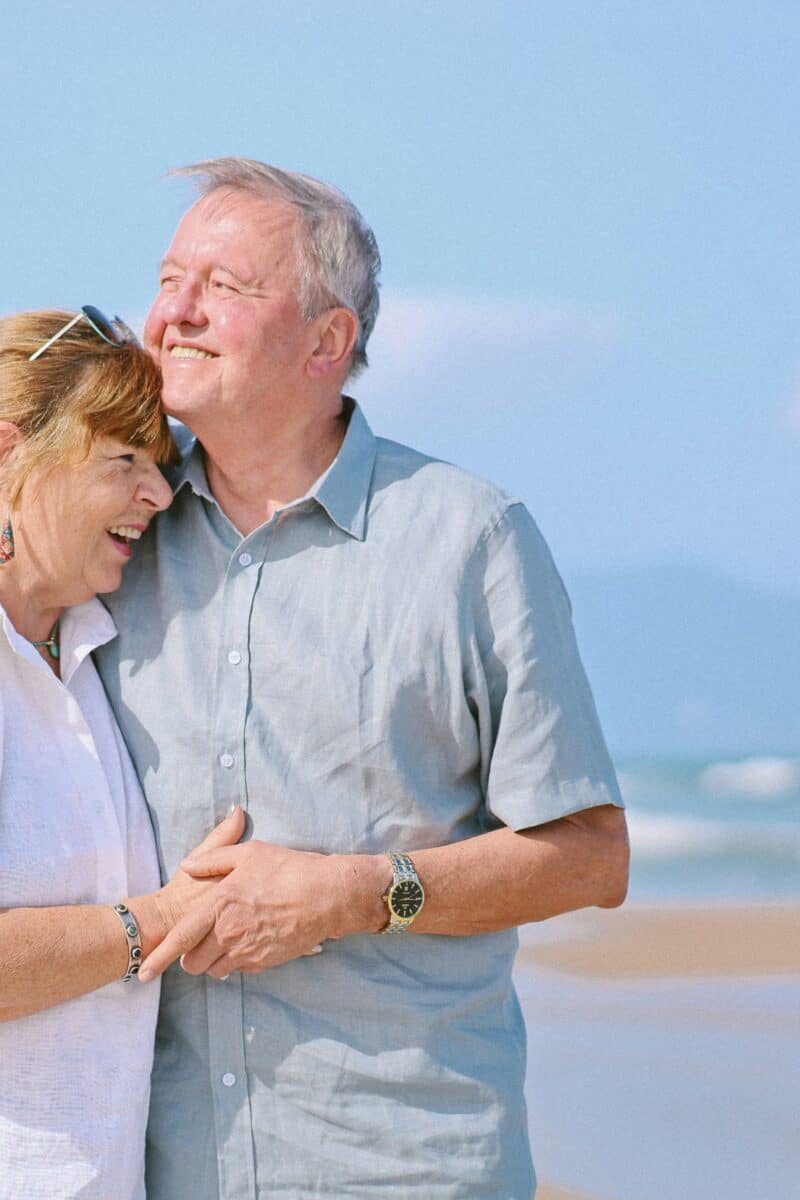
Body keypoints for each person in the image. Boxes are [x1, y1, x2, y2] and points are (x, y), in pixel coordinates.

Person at [96, 158, 630, 1199]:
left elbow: (587, 858)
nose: (175, 314)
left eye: (225, 288)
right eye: (168, 279)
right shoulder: (116, 532)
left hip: (403, 1164)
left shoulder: (469, 540)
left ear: (326, 342)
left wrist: (351, 894)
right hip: (154, 1166)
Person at [0, 307, 245, 1200]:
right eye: (125, 462)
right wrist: (157, 919)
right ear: (8, 454)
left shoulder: (95, 653)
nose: (160, 494)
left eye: (162, 466)